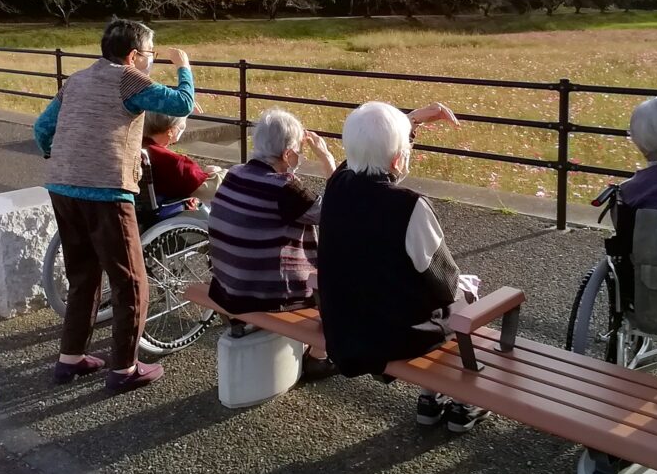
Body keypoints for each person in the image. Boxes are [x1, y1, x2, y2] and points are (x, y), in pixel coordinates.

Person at [34, 18, 195, 395]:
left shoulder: (74, 80)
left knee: (83, 275)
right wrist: (184, 67)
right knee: (131, 281)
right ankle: (125, 367)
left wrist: (60, 158)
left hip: (62, 188)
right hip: (107, 191)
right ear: (134, 54)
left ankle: (70, 358)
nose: (152, 61)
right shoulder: (128, 77)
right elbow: (182, 103)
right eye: (152, 55)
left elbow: (42, 129)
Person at [317, 101, 491, 434]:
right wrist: (464, 286)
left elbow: (366, 144)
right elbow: (444, 282)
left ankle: (430, 399)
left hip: (343, 332)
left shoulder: (337, 186)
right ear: (399, 159)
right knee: (465, 300)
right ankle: (461, 402)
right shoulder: (410, 206)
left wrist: (410, 121)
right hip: (391, 339)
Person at [207, 108, 336, 315]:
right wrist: (328, 162)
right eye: (298, 152)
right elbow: (335, 212)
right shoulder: (284, 188)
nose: (300, 157)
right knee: (334, 295)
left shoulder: (235, 173)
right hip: (266, 296)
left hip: (226, 287)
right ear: (287, 154)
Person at [142, 111, 225, 206]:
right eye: (182, 125)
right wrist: (219, 172)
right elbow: (208, 190)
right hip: (167, 213)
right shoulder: (175, 162)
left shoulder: (136, 146)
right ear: (171, 131)